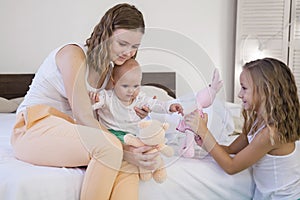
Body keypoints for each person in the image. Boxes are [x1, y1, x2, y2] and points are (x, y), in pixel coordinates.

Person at [10, 3, 157, 200]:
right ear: (106, 34)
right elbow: (83, 115)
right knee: (111, 148)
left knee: (127, 163)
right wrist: (123, 148)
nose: (128, 52)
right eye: (123, 43)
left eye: (135, 47)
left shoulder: (110, 74)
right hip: (34, 126)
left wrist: (132, 113)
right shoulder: (73, 54)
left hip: (72, 132)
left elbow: (107, 119)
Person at [184, 57, 300, 199]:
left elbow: (231, 167)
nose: (239, 94)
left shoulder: (270, 133)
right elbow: (230, 150)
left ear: (266, 90)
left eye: (244, 88)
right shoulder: (256, 123)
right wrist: (204, 142)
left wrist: (204, 131)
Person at [90, 58, 183, 143]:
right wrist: (95, 100)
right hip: (110, 132)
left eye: (136, 86)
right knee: (116, 144)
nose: (131, 91)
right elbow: (96, 103)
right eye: (125, 86)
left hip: (131, 136)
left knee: (142, 143)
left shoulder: (140, 98)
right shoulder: (107, 96)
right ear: (114, 83)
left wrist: (169, 106)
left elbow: (155, 104)